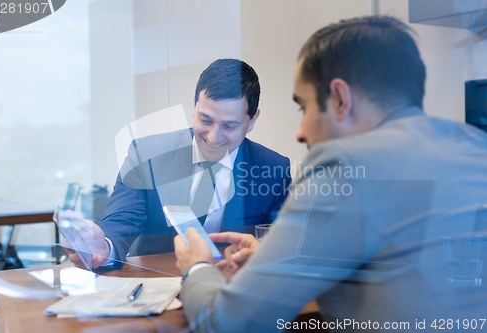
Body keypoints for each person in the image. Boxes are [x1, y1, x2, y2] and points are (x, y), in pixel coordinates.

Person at [174, 17, 487, 332]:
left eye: (304, 107)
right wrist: (277, 259)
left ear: (340, 98)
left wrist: (197, 266)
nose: (301, 132)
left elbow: (231, 324)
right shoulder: (477, 148)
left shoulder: (345, 165)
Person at [65, 59, 291, 269]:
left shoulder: (274, 170)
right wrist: (103, 248)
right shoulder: (146, 156)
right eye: (205, 120)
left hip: (229, 292)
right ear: (193, 106)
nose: (213, 137)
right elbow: (122, 221)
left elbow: (280, 245)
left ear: (252, 121)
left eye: (229, 126)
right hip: (154, 285)